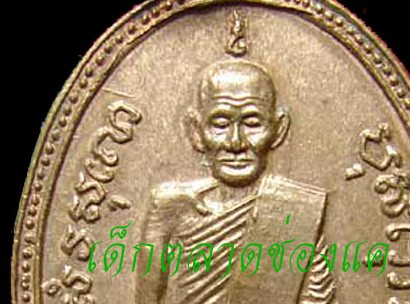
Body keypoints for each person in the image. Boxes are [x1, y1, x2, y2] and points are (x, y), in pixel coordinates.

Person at [136, 59, 336, 303]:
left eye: (252, 124)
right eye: (220, 124)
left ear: (278, 129)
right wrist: (158, 229)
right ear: (196, 131)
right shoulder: (170, 207)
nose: (235, 143)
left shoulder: (296, 213)